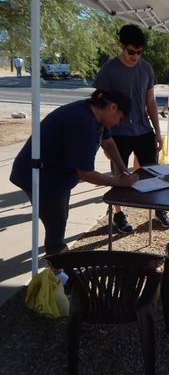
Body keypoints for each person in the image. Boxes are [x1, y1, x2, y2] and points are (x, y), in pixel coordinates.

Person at [10, 90, 139, 255]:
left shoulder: (97, 115)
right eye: (120, 119)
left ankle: (58, 257)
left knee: (60, 217)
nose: (117, 124)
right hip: (40, 176)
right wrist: (117, 181)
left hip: (56, 175)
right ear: (113, 107)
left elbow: (108, 142)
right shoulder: (82, 122)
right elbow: (85, 173)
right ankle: (57, 263)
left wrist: (123, 169)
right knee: (56, 223)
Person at [93, 24, 169, 233]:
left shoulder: (146, 68)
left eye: (139, 52)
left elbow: (151, 102)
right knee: (119, 175)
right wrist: (102, 137)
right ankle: (118, 213)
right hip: (117, 133)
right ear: (121, 46)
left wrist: (157, 132)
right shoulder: (109, 70)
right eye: (131, 52)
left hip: (143, 130)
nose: (135, 56)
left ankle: (158, 208)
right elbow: (99, 106)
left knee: (152, 172)